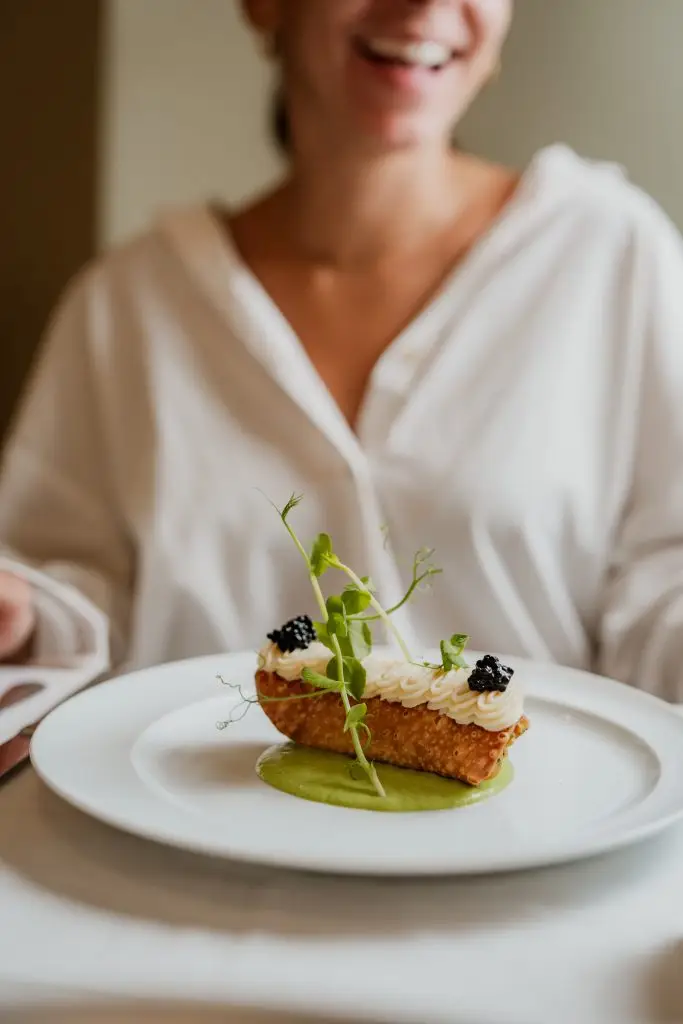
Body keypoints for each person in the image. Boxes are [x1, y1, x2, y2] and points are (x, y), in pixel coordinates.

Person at [1, 0, 683, 700]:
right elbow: (67, 599)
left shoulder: (611, 254)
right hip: (190, 805)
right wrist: (26, 622)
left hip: (547, 807)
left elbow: (665, 587)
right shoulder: (128, 306)